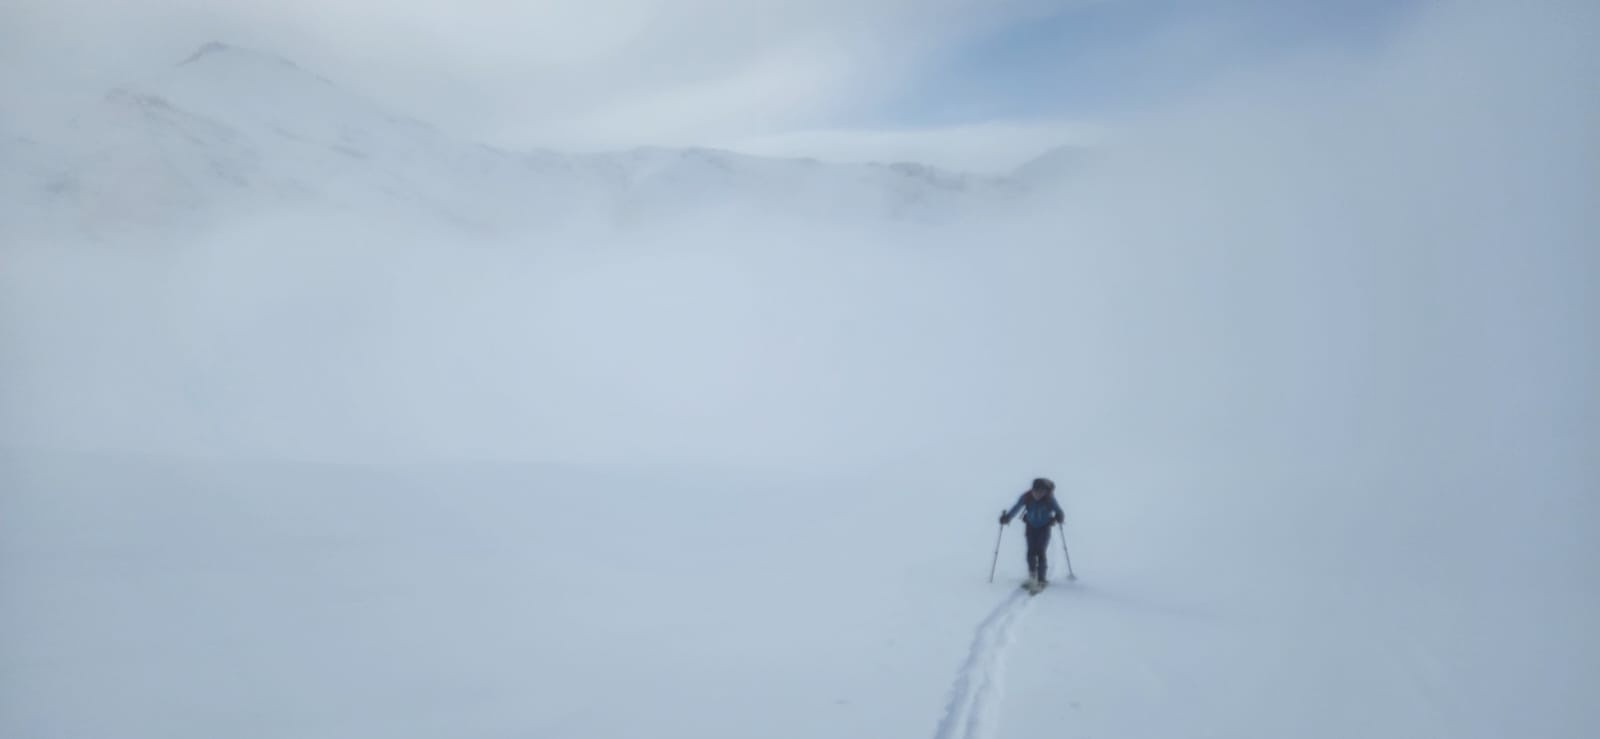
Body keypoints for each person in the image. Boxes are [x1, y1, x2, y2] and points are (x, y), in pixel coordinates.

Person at [999, 477, 1064, 585]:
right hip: (1031, 526)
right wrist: (1007, 517)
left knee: (1040, 551)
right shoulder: (1026, 497)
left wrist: (1059, 516)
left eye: (1041, 492)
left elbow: (1058, 510)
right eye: (1036, 491)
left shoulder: (1049, 499)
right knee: (1031, 551)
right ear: (1032, 490)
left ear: (1045, 491)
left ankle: (1041, 578)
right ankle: (1032, 575)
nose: (1038, 494)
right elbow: (1017, 507)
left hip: (1044, 527)